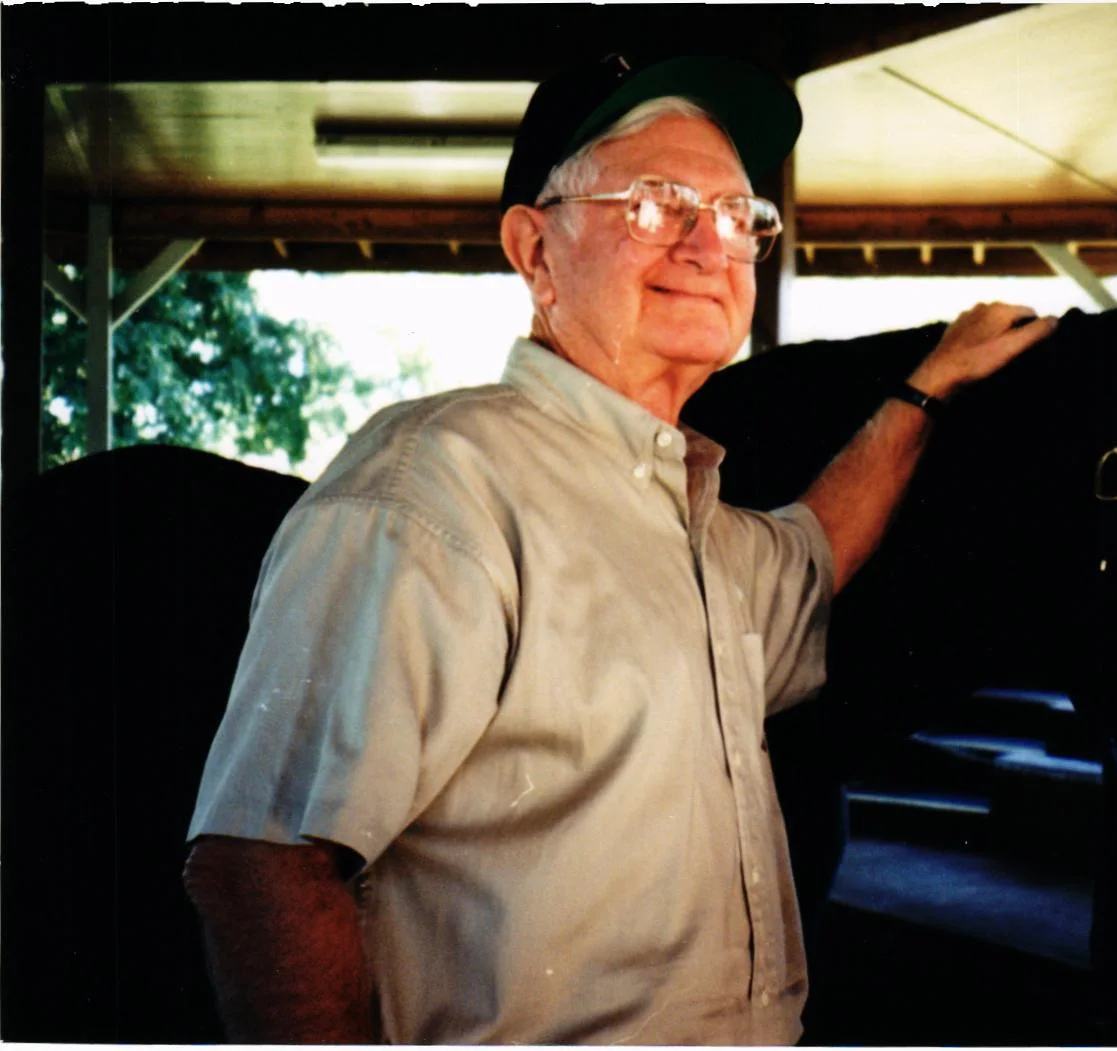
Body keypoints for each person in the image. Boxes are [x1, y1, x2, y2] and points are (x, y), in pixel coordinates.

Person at [182, 53, 1056, 1045]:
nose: (707, 244)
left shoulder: (697, 525)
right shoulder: (433, 487)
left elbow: (814, 550)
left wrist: (923, 390)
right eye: (653, 204)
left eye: (735, 215)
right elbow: (262, 866)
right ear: (534, 249)